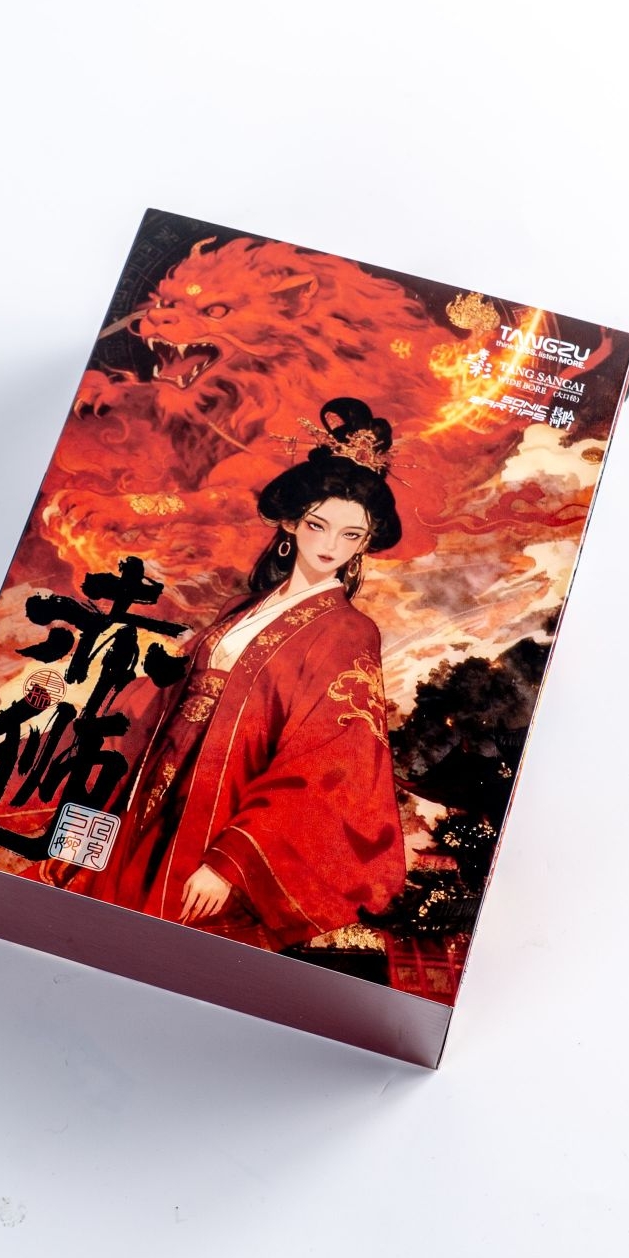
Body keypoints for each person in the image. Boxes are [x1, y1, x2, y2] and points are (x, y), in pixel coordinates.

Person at [96, 397, 410, 951]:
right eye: (318, 525)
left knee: (166, 940)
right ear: (291, 523)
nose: (330, 546)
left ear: (366, 543)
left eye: (350, 535)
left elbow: (329, 760)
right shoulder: (240, 609)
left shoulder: (348, 631)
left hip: (229, 806)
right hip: (159, 785)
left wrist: (231, 860)